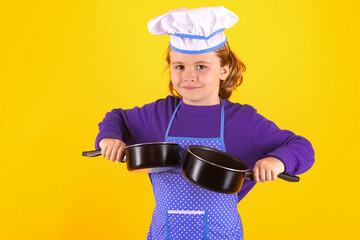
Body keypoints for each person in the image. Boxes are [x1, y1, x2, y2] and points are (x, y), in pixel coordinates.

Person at [94, 6, 315, 239]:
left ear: (224, 70)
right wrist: (109, 139)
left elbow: (301, 147)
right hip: (164, 234)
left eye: (201, 66)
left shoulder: (243, 122)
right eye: (179, 66)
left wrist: (277, 161)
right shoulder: (159, 114)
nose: (188, 75)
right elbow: (116, 117)